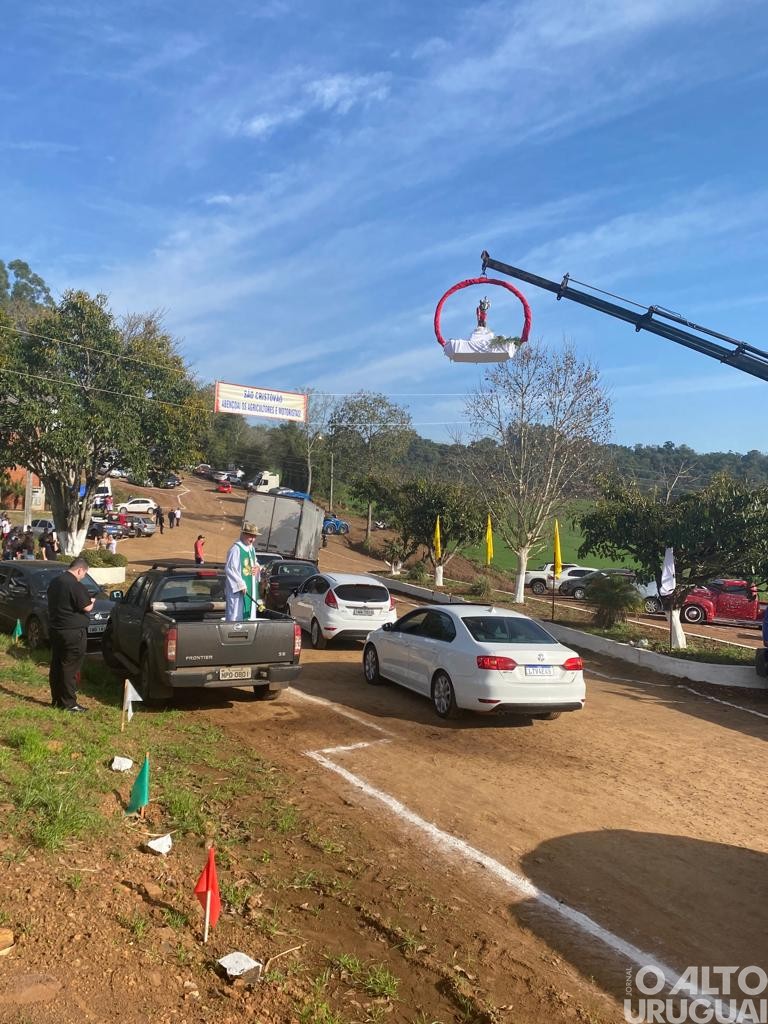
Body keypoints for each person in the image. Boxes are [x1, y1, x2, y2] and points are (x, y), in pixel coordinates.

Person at [47, 556, 94, 712]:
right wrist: (92, 601)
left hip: (56, 629)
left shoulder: (55, 582)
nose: (83, 577)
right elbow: (86, 607)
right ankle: (69, 703)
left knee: (57, 664)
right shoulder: (74, 585)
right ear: (80, 570)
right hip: (73, 632)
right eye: (84, 574)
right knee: (70, 668)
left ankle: (57, 699)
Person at [224, 521, 262, 621]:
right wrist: (240, 584)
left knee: (249, 615)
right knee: (237, 614)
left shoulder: (251, 548)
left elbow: (255, 562)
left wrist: (257, 567)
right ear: (244, 534)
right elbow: (230, 569)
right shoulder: (236, 549)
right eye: (251, 536)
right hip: (239, 591)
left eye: (255, 537)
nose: (253, 539)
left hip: (250, 587)